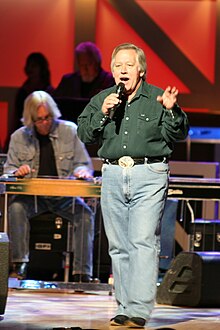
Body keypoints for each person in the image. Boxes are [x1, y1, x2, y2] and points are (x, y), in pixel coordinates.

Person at [77, 43, 189, 327]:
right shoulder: (103, 98)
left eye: (128, 65)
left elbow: (178, 133)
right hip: (113, 174)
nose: (122, 70)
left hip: (148, 173)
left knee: (141, 241)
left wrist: (172, 111)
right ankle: (124, 306)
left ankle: (139, 309)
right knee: (118, 245)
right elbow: (84, 133)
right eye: (117, 66)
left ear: (141, 69)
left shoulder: (157, 98)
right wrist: (102, 112)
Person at [4, 90, 94, 283]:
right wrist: (17, 172)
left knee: (85, 215)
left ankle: (81, 274)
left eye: (48, 118)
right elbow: (8, 170)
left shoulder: (70, 131)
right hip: (32, 199)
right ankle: (19, 265)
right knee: (16, 207)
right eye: (39, 120)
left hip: (64, 198)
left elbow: (83, 163)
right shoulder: (19, 137)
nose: (45, 123)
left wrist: (81, 171)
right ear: (30, 119)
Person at [14, 52, 54, 131]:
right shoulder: (22, 92)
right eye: (29, 65)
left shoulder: (49, 92)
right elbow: (15, 118)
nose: (30, 69)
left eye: (34, 66)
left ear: (41, 69)